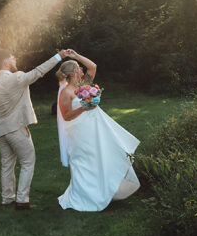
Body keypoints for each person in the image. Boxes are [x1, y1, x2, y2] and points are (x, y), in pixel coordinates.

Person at [56, 49, 140, 211]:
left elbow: (93, 66)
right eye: (78, 68)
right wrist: (85, 107)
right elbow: (66, 116)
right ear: (73, 73)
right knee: (83, 161)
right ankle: (84, 196)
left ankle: (102, 191)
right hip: (78, 132)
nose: (82, 69)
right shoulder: (66, 92)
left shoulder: (83, 85)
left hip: (94, 128)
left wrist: (75, 56)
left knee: (100, 157)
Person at [0, 47, 68, 210]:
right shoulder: (17, 78)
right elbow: (39, 71)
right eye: (13, 58)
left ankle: (7, 198)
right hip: (16, 128)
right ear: (6, 62)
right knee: (28, 162)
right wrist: (59, 56)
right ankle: (22, 200)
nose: (15, 60)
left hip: (1, 130)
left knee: (7, 164)